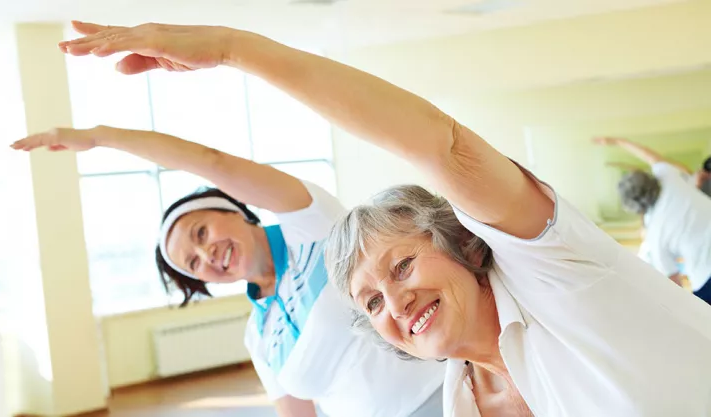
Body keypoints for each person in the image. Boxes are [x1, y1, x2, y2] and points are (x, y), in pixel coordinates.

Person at [51, 20, 711, 417]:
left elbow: (440, 145)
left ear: (464, 246)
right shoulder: (463, 393)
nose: (393, 299)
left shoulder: (558, 275)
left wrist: (230, 49)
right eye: (370, 300)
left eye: (401, 265)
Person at [11, 125, 446, 417]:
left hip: (444, 397)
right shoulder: (259, 335)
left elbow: (213, 161)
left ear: (233, 209)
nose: (207, 256)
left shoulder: (311, 226)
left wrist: (99, 138)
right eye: (194, 265)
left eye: (200, 233)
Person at [594, 136, 711, 302]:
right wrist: (618, 141)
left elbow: (674, 283)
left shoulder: (654, 236)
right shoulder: (670, 177)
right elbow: (649, 155)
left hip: (706, 276)